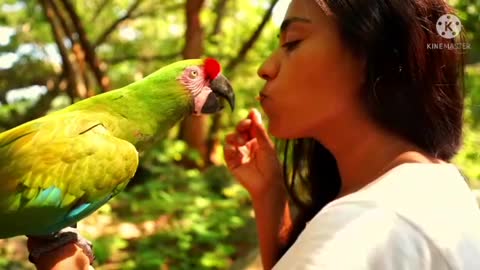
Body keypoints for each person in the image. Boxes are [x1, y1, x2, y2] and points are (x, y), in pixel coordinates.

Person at [26, 0, 480, 269]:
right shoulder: (433, 187)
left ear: (375, 58)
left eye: (292, 42)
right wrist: (270, 200)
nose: (264, 67)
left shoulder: (369, 228)